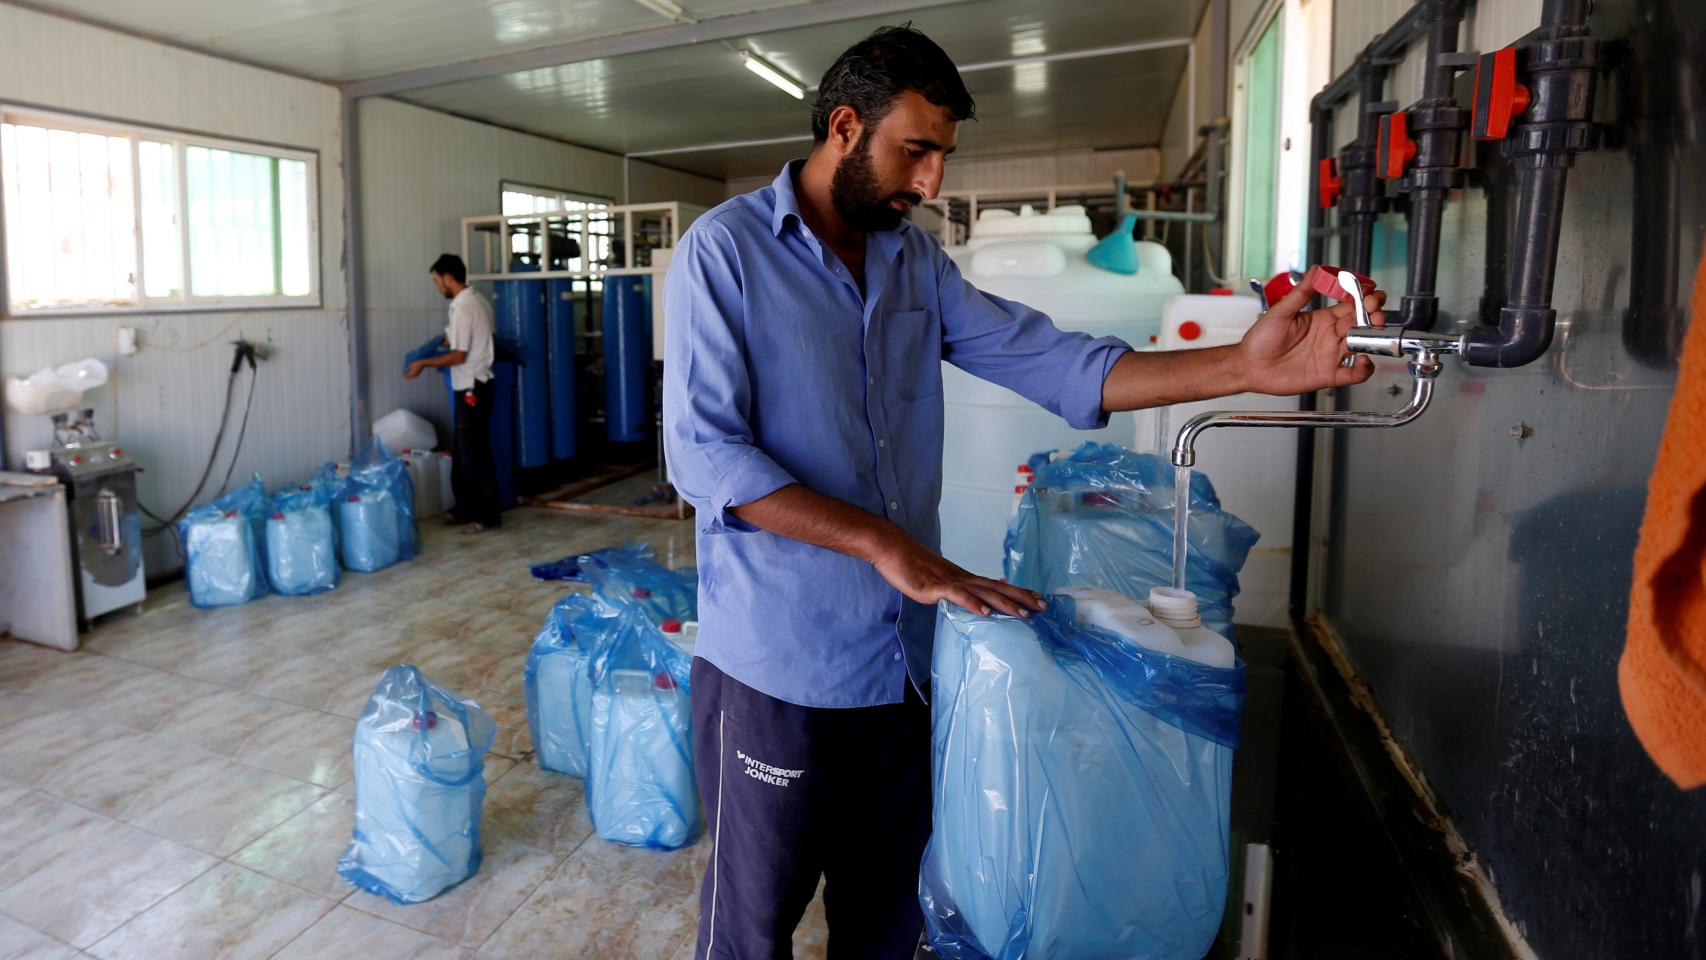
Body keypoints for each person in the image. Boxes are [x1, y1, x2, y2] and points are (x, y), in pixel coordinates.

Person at [662, 25, 1387, 960]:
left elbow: (1056, 363)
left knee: (886, 920)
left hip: (902, 667)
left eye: (941, 156)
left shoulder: (913, 263)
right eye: (914, 151)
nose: (932, 182)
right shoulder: (726, 253)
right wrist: (889, 546)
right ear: (844, 127)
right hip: (777, 671)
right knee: (750, 929)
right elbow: (707, 457)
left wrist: (1243, 366)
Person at [407, 253, 500, 534]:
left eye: (437, 281)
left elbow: (459, 356)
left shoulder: (463, 307)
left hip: (472, 386)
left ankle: (485, 516)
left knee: (474, 453)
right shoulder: (478, 301)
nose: (438, 287)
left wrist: (423, 363)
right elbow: (484, 337)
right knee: (463, 450)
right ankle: (465, 509)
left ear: (449, 279)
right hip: (475, 384)